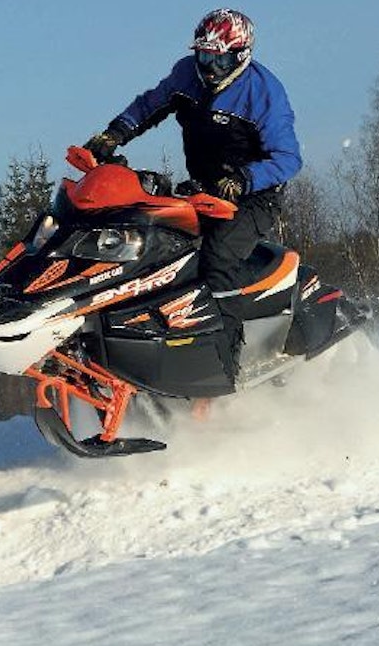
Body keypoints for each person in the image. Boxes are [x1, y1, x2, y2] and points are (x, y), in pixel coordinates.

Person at [84, 8, 301, 382]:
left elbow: (288, 157)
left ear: (241, 55)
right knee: (155, 245)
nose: (210, 67)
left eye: (219, 59)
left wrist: (244, 179)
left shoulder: (264, 92)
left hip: (254, 195)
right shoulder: (186, 73)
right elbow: (150, 104)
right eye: (204, 56)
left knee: (217, 258)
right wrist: (114, 133)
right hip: (205, 189)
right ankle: (147, 350)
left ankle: (225, 365)